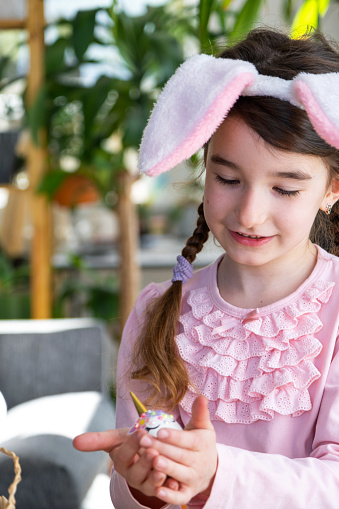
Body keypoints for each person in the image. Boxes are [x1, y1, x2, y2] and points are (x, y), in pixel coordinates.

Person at [73, 28, 339, 509]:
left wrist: (217, 473)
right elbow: (131, 494)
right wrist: (142, 481)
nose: (250, 213)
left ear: (331, 190)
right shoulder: (159, 309)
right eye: (228, 178)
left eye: (286, 188)